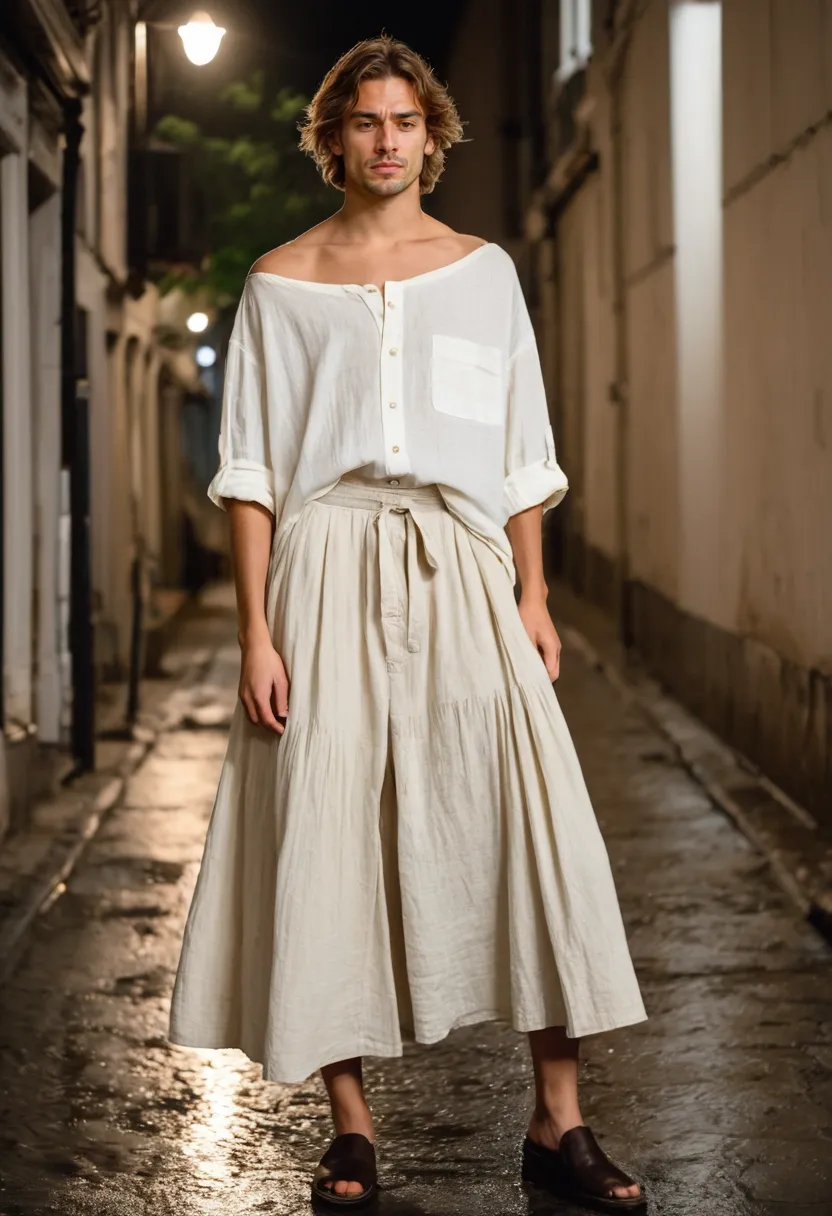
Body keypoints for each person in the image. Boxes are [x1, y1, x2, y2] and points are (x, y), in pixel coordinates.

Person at [168, 34, 648, 1214]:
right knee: (321, 827)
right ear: (332, 139)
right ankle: (350, 1125)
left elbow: (519, 448)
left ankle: (560, 1118)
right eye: (364, 123)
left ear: (433, 137)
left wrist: (531, 595)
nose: (386, 141)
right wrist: (257, 634)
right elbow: (253, 474)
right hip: (324, 564)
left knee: (527, 822)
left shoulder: (484, 273)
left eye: (404, 122)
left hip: (463, 563)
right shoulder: (279, 284)